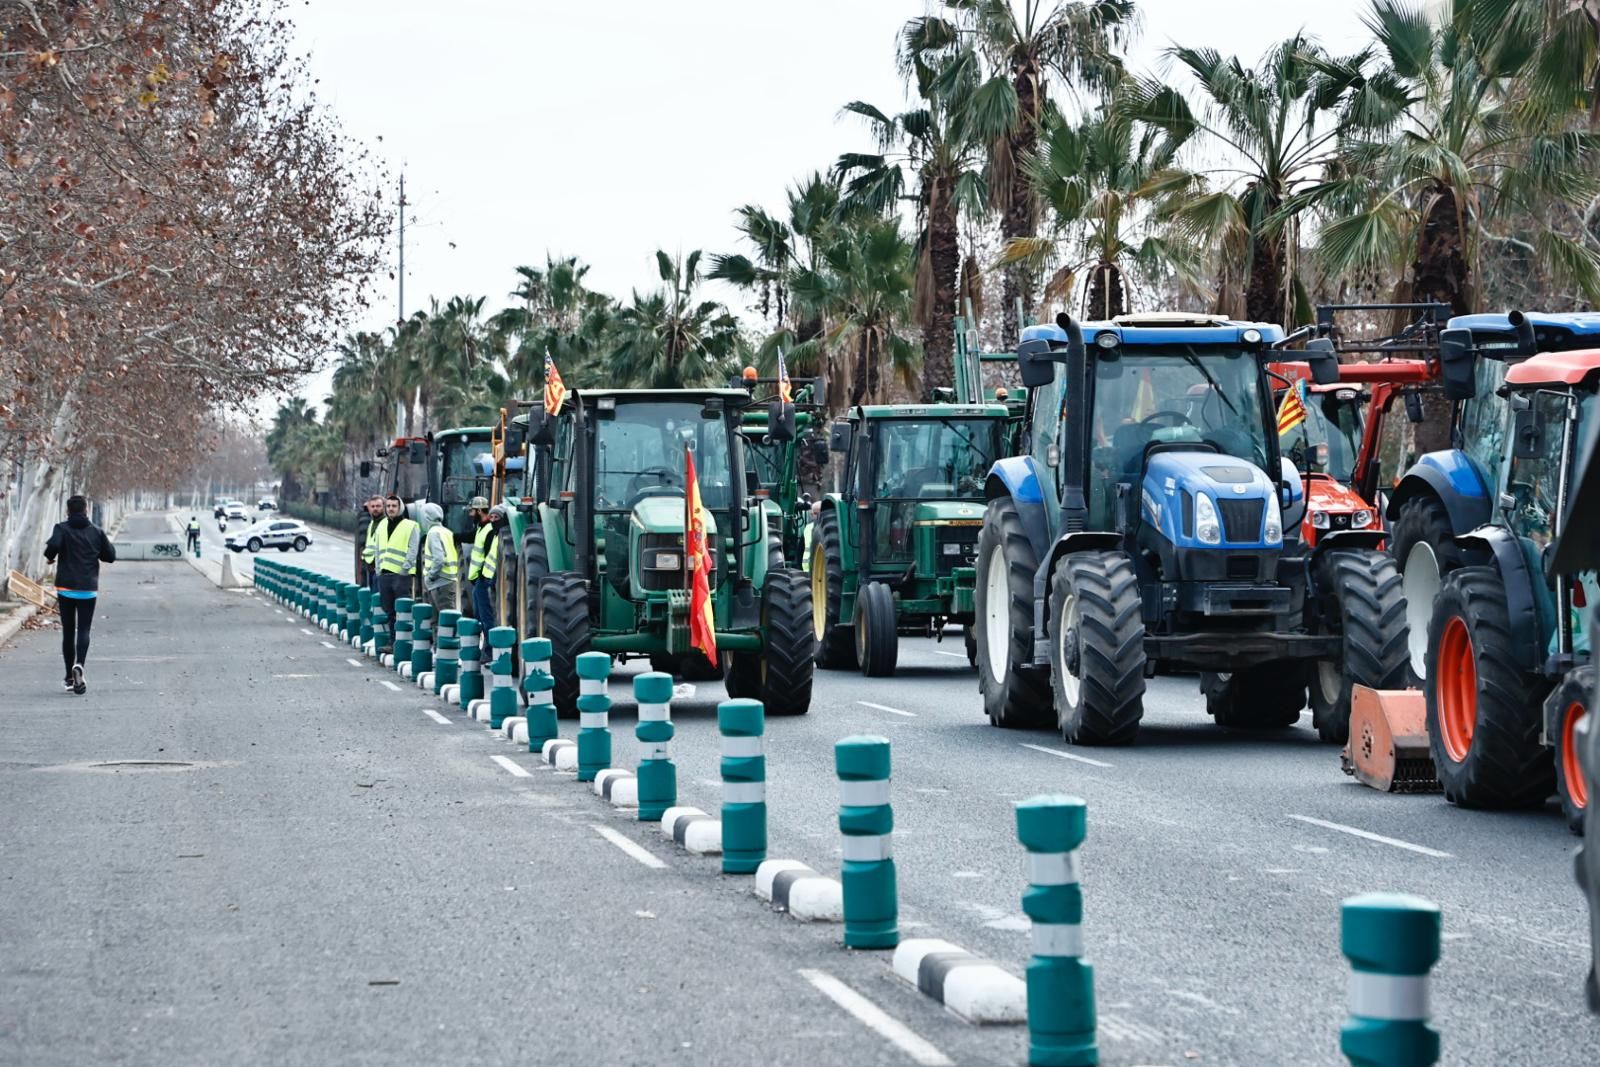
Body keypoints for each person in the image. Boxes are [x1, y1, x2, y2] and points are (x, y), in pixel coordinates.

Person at [43, 495, 115, 695]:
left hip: (65, 588)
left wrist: (51, 558)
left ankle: (68, 678)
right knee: (84, 629)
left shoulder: (61, 528)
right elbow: (110, 556)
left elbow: (52, 548)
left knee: (68, 631)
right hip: (87, 588)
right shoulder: (96, 532)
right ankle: (80, 665)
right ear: (86, 510)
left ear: (68, 511)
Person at [374, 494, 420, 626]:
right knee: (388, 611)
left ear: (400, 508)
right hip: (384, 575)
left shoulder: (411, 526)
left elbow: (413, 550)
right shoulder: (381, 525)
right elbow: (377, 550)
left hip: (402, 576)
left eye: (394, 506)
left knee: (403, 611)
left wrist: (404, 569)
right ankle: (392, 641)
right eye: (388, 506)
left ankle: (403, 643)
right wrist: (378, 571)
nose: (390, 509)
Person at [466, 496, 499, 629]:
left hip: (484, 578)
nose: (470, 514)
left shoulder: (489, 530)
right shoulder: (481, 528)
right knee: (479, 615)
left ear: (479, 511)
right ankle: (485, 647)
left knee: (486, 617)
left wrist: (481, 575)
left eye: (472, 511)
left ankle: (489, 649)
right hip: (479, 578)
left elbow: (488, 554)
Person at [420, 502, 459, 614]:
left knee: (445, 621)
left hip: (439, 582)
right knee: (446, 619)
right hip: (448, 580)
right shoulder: (447, 532)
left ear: (426, 517)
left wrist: (430, 576)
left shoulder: (433, 533)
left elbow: (439, 559)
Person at [355, 495, 384, 591]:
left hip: (381, 569)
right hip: (371, 567)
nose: (375, 509)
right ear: (369, 508)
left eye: (378, 506)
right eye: (373, 506)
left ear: (384, 507)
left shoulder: (386, 523)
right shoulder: (371, 524)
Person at [802, 499, 821, 571]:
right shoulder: (809, 528)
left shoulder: (808, 527)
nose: (812, 515)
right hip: (814, 568)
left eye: (813, 513)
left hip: (811, 567)